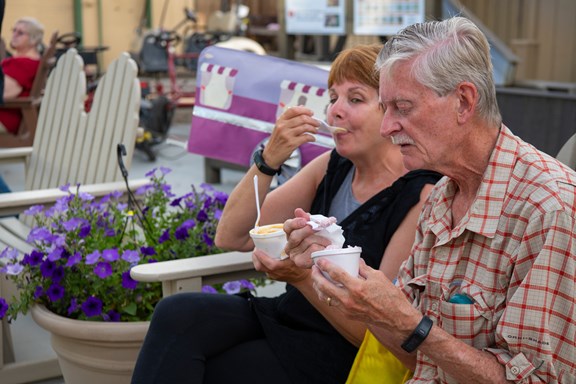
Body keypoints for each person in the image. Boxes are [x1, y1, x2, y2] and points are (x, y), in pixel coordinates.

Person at [285, 17, 576, 383]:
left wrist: (413, 325)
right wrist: (328, 267)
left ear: (464, 102)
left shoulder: (548, 209)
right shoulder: (442, 195)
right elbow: (413, 359)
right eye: (385, 108)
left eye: (402, 108)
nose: (387, 126)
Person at [131, 44, 441, 383]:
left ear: (392, 113)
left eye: (355, 99)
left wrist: (302, 277)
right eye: (333, 97)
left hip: (343, 349)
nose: (335, 110)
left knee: (215, 370)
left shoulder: (421, 196)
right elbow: (231, 235)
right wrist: (269, 159)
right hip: (288, 316)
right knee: (177, 314)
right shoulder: (333, 166)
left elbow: (380, 333)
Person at [0, 17, 44, 135]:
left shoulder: (24, 64)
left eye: (20, 33)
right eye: (14, 30)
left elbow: (5, 93)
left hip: (6, 119)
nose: (14, 35)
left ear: (34, 39)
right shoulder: (22, 61)